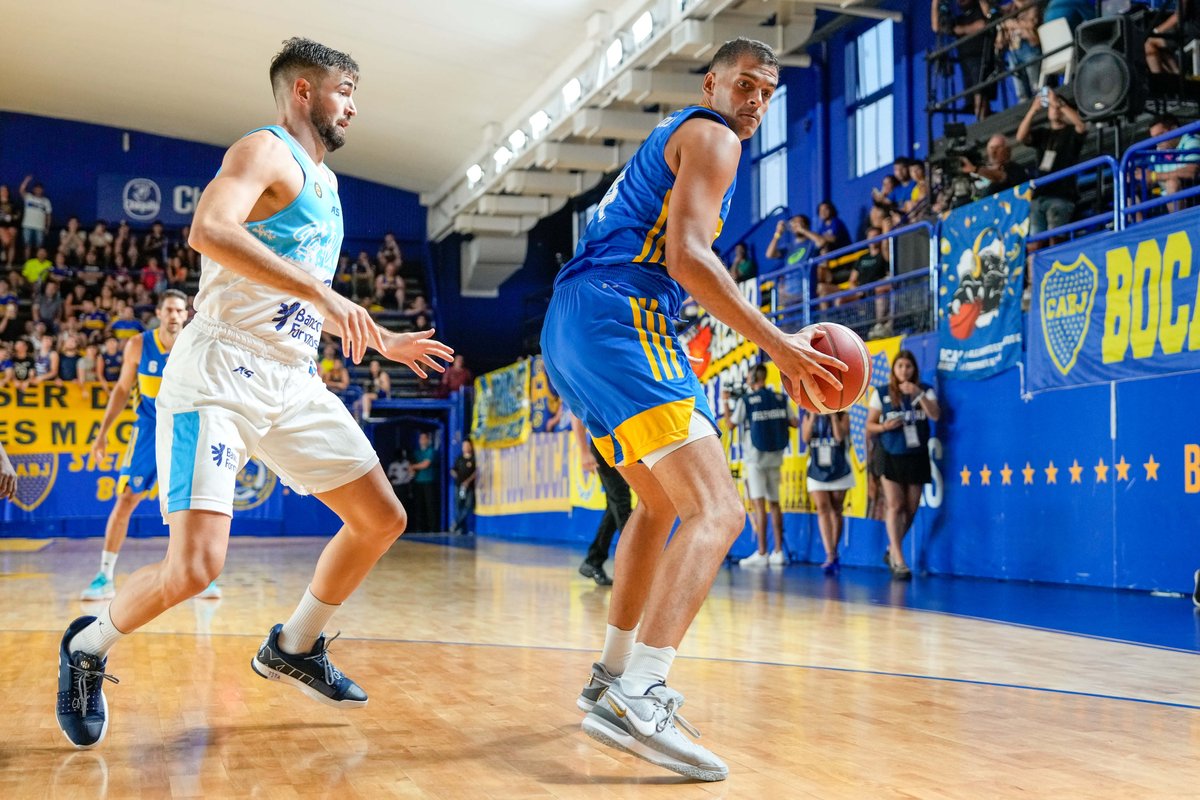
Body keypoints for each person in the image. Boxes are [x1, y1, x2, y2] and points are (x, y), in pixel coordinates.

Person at [54, 37, 453, 750]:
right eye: (344, 90)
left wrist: (379, 339)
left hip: (290, 376)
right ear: (303, 90)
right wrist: (325, 297)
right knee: (194, 569)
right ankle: (87, 646)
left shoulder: (329, 186)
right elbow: (208, 230)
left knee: (380, 519)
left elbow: (298, 293)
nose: (353, 106)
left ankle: (295, 645)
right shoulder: (265, 150)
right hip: (218, 373)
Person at [540, 38, 843, 781]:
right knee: (720, 511)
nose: (755, 101)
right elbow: (686, 259)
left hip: (572, 323)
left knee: (655, 506)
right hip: (621, 315)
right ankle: (642, 692)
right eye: (745, 85)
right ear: (712, 83)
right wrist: (778, 344)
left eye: (767, 92)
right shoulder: (712, 137)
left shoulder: (676, 136)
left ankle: (612, 675)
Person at [77, 291, 223, 602]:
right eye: (169, 309)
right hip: (148, 429)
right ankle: (104, 575)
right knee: (126, 498)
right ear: (158, 313)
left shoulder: (195, 343)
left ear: (187, 315)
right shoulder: (138, 345)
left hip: (184, 430)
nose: (174, 315)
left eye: (180, 310)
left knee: (189, 507)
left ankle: (199, 577)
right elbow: (121, 389)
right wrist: (102, 433)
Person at [866, 350, 940, 580]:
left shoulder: (925, 390)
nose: (904, 370)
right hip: (890, 453)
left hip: (916, 454)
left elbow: (935, 415)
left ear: (914, 369)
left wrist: (918, 394)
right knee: (895, 505)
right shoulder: (882, 393)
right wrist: (884, 427)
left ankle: (891, 549)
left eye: (908, 366)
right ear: (894, 369)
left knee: (911, 508)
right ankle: (899, 559)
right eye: (900, 366)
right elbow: (869, 425)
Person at [725, 363, 798, 568]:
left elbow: (730, 424)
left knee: (759, 505)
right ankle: (778, 552)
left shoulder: (747, 401)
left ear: (753, 378)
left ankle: (762, 552)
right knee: (775, 504)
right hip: (775, 456)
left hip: (755, 459)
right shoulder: (780, 398)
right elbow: (794, 422)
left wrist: (725, 402)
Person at [1017, 88, 1086, 253]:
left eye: (1057, 106)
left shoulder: (1071, 132)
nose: (1054, 108)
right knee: (1034, 244)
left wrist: (1060, 103)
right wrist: (1033, 110)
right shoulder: (1043, 134)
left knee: (1056, 239)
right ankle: (1034, 269)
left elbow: (1081, 125)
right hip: (1040, 194)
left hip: (1061, 195)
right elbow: (1021, 137)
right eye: (1051, 106)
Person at [571, 413, 630, 586]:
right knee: (621, 502)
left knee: (614, 504)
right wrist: (584, 452)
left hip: (622, 443)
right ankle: (641, 566)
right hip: (604, 446)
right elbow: (576, 415)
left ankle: (593, 560)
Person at [802, 411, 854, 574]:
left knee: (836, 509)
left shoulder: (843, 415)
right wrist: (813, 417)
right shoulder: (808, 415)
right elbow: (805, 438)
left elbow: (839, 437)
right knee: (822, 509)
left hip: (839, 467)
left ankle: (835, 549)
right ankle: (829, 553)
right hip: (816, 468)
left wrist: (832, 417)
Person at [933, 0, 994, 120]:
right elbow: (937, 27)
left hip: (980, 56)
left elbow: (985, 22)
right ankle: (981, 120)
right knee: (972, 97)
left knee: (980, 93)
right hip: (965, 62)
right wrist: (935, 4)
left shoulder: (979, 10)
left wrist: (962, 29)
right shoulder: (958, 18)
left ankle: (983, 120)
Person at [960, 134, 1030, 198]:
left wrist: (975, 169)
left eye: (997, 147)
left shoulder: (1015, 169)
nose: (993, 152)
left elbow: (1000, 177)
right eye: (991, 148)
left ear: (1007, 150)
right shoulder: (982, 167)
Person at [410, 430, 439, 532]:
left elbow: (426, 464)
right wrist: (413, 467)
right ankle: (419, 528)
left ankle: (432, 528)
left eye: (424, 438)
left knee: (430, 506)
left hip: (428, 481)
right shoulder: (416, 452)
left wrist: (414, 466)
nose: (422, 440)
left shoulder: (431, 451)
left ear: (428, 440)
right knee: (419, 506)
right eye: (421, 438)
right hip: (418, 482)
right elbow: (410, 467)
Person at [19, 176, 52, 259]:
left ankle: (38, 262)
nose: (38, 190)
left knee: (39, 246)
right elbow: (21, 190)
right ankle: (27, 262)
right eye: (37, 189)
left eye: (40, 189)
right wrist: (26, 180)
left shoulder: (46, 201)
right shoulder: (28, 197)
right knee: (27, 245)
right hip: (27, 225)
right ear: (34, 189)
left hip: (40, 227)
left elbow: (48, 215)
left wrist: (47, 227)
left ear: (42, 190)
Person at [450, 439, 477, 535]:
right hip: (459, 486)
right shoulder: (459, 458)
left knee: (468, 506)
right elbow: (452, 469)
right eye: (464, 446)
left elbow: (476, 472)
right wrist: (456, 475)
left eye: (467, 445)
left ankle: (456, 523)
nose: (465, 447)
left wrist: (467, 481)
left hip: (469, 487)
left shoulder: (473, 459)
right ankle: (460, 528)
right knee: (459, 506)